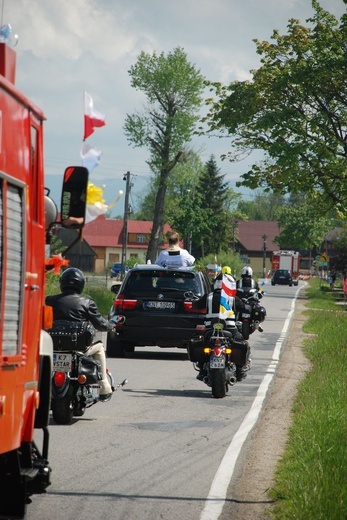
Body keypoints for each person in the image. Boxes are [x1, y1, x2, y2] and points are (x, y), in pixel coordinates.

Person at [46, 267, 114, 401]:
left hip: (52, 347)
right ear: (81, 284)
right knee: (99, 347)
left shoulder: (50, 300)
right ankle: (104, 386)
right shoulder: (87, 302)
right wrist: (112, 326)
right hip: (79, 348)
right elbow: (100, 324)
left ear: (62, 283)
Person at [197, 266, 250, 382]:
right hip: (229, 329)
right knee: (241, 341)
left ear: (215, 283)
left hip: (210, 329)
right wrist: (248, 307)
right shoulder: (231, 298)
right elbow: (244, 308)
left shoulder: (208, 297)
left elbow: (196, 305)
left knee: (201, 344)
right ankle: (240, 370)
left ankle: (202, 370)